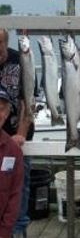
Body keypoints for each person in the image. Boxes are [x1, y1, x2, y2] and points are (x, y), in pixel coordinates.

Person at [0, 29, 34, 238]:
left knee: (19, 191)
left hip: (16, 142)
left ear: (6, 42)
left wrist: (20, 134)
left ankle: (18, 232)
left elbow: (28, 100)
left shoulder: (21, 59)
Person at [0, 85, 24, 238]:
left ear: (7, 113)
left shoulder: (13, 151)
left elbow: (15, 196)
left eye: (2, 108)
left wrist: (4, 232)